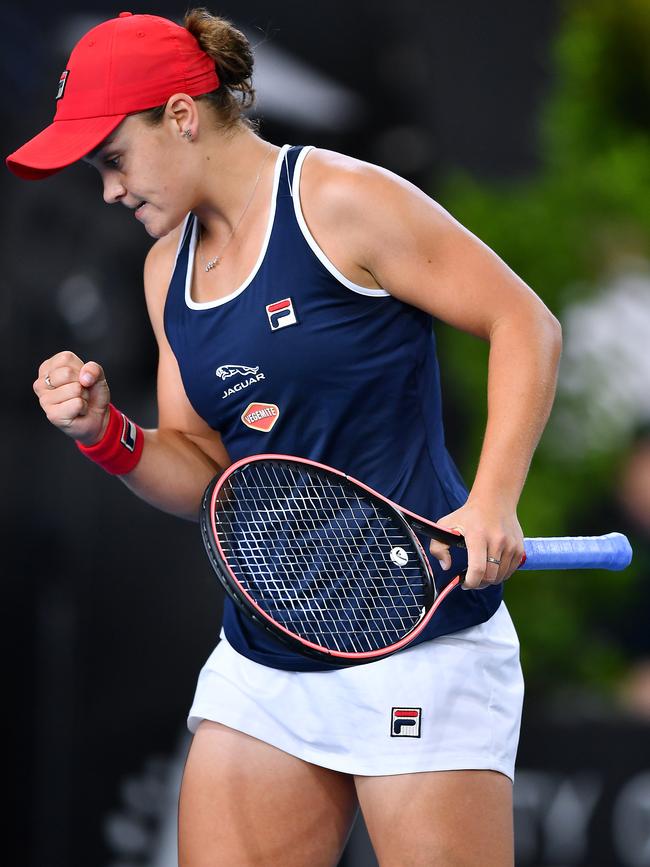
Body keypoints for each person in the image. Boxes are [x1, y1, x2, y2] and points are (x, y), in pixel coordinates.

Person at [8, 9, 562, 866]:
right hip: (264, 657)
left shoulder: (343, 200)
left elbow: (524, 323)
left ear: (183, 116)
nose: (109, 189)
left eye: (113, 157)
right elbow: (207, 474)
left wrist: (492, 501)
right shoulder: (166, 271)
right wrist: (106, 433)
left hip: (422, 643)